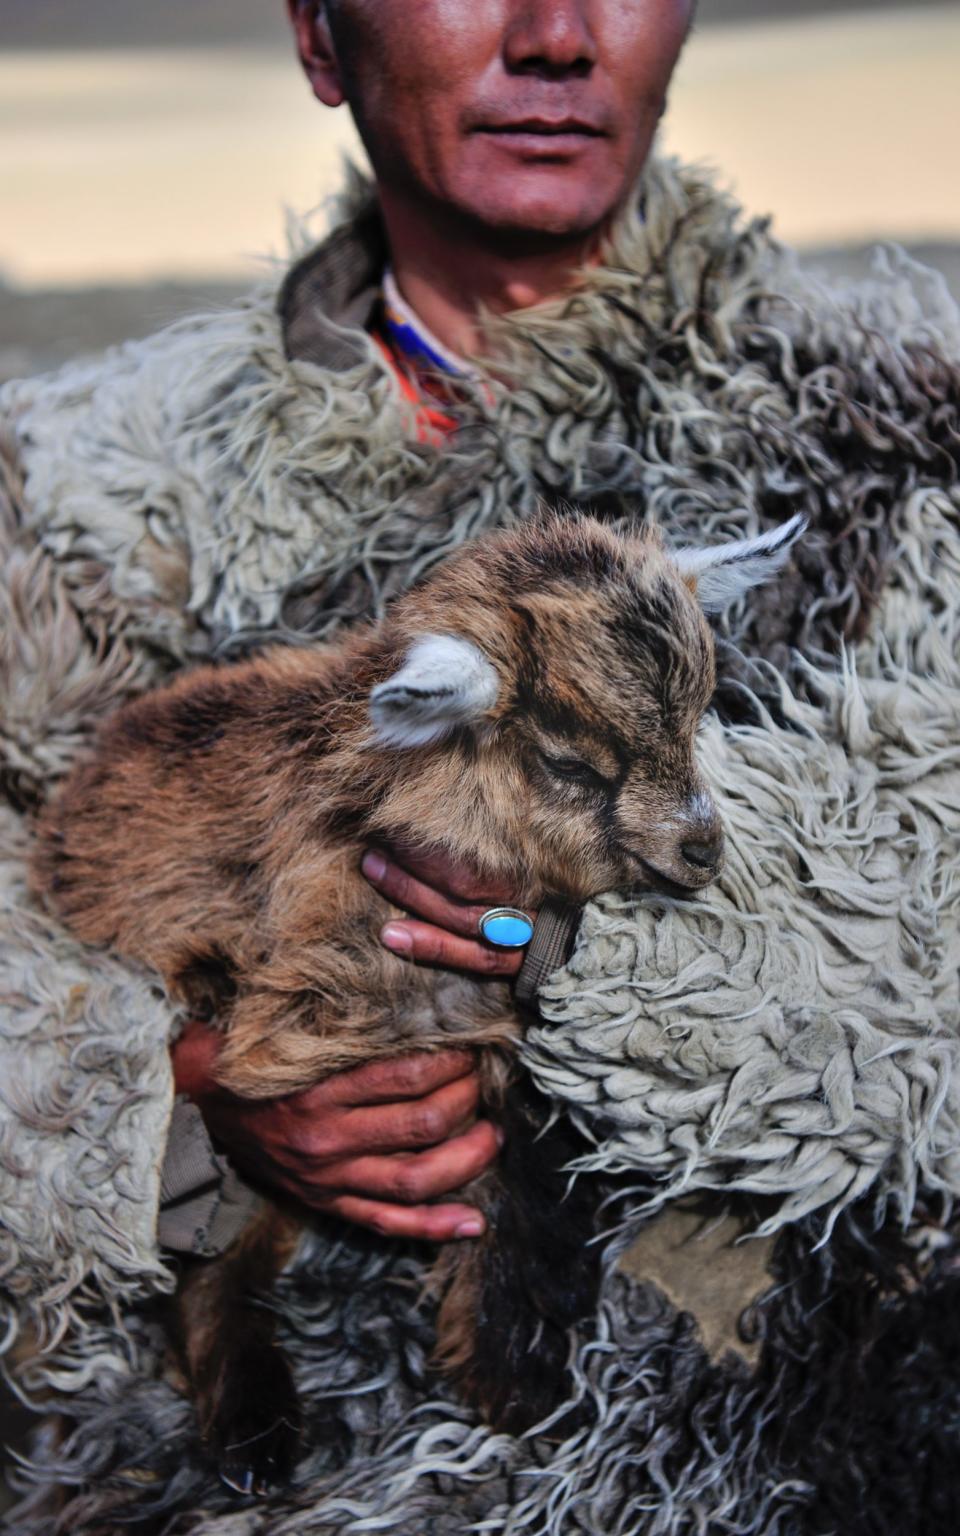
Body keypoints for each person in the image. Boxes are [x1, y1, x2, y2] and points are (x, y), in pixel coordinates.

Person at [1, 1, 958, 1530]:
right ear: (322, 40)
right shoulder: (65, 500)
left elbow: (928, 965)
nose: (558, 32)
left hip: (755, 1460)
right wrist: (159, 1097)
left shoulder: (913, 451)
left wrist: (568, 961)